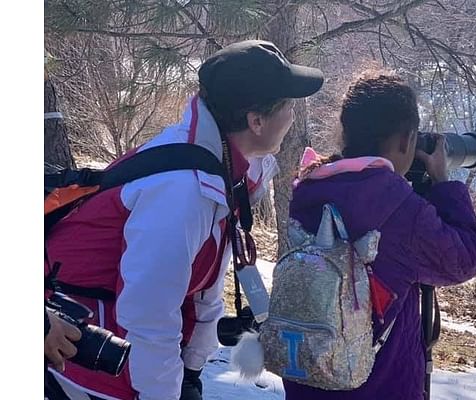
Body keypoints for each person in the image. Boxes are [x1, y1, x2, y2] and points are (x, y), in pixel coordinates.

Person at [43, 40, 323, 400]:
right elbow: (148, 316)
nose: (294, 116)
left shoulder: (220, 164)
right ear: (256, 121)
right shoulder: (183, 191)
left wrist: (191, 368)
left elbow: (201, 289)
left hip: (127, 357)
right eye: (288, 105)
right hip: (91, 361)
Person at [284, 70, 476, 399]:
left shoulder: (309, 187)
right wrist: (444, 184)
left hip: (311, 380)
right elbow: (465, 259)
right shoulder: (397, 207)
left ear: (346, 131)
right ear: (407, 140)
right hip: (378, 388)